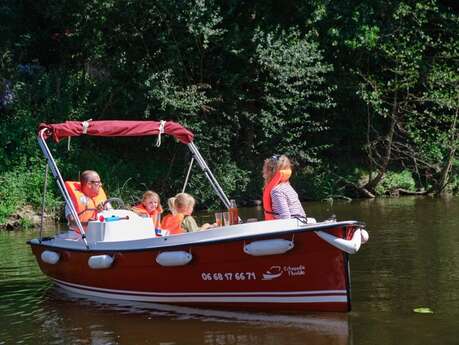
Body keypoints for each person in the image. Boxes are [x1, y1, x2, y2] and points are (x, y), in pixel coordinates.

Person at [262, 154, 306, 220]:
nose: (263, 173)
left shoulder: (276, 191)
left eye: (264, 170)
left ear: (269, 171)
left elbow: (285, 218)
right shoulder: (288, 187)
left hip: (291, 226)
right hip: (301, 222)